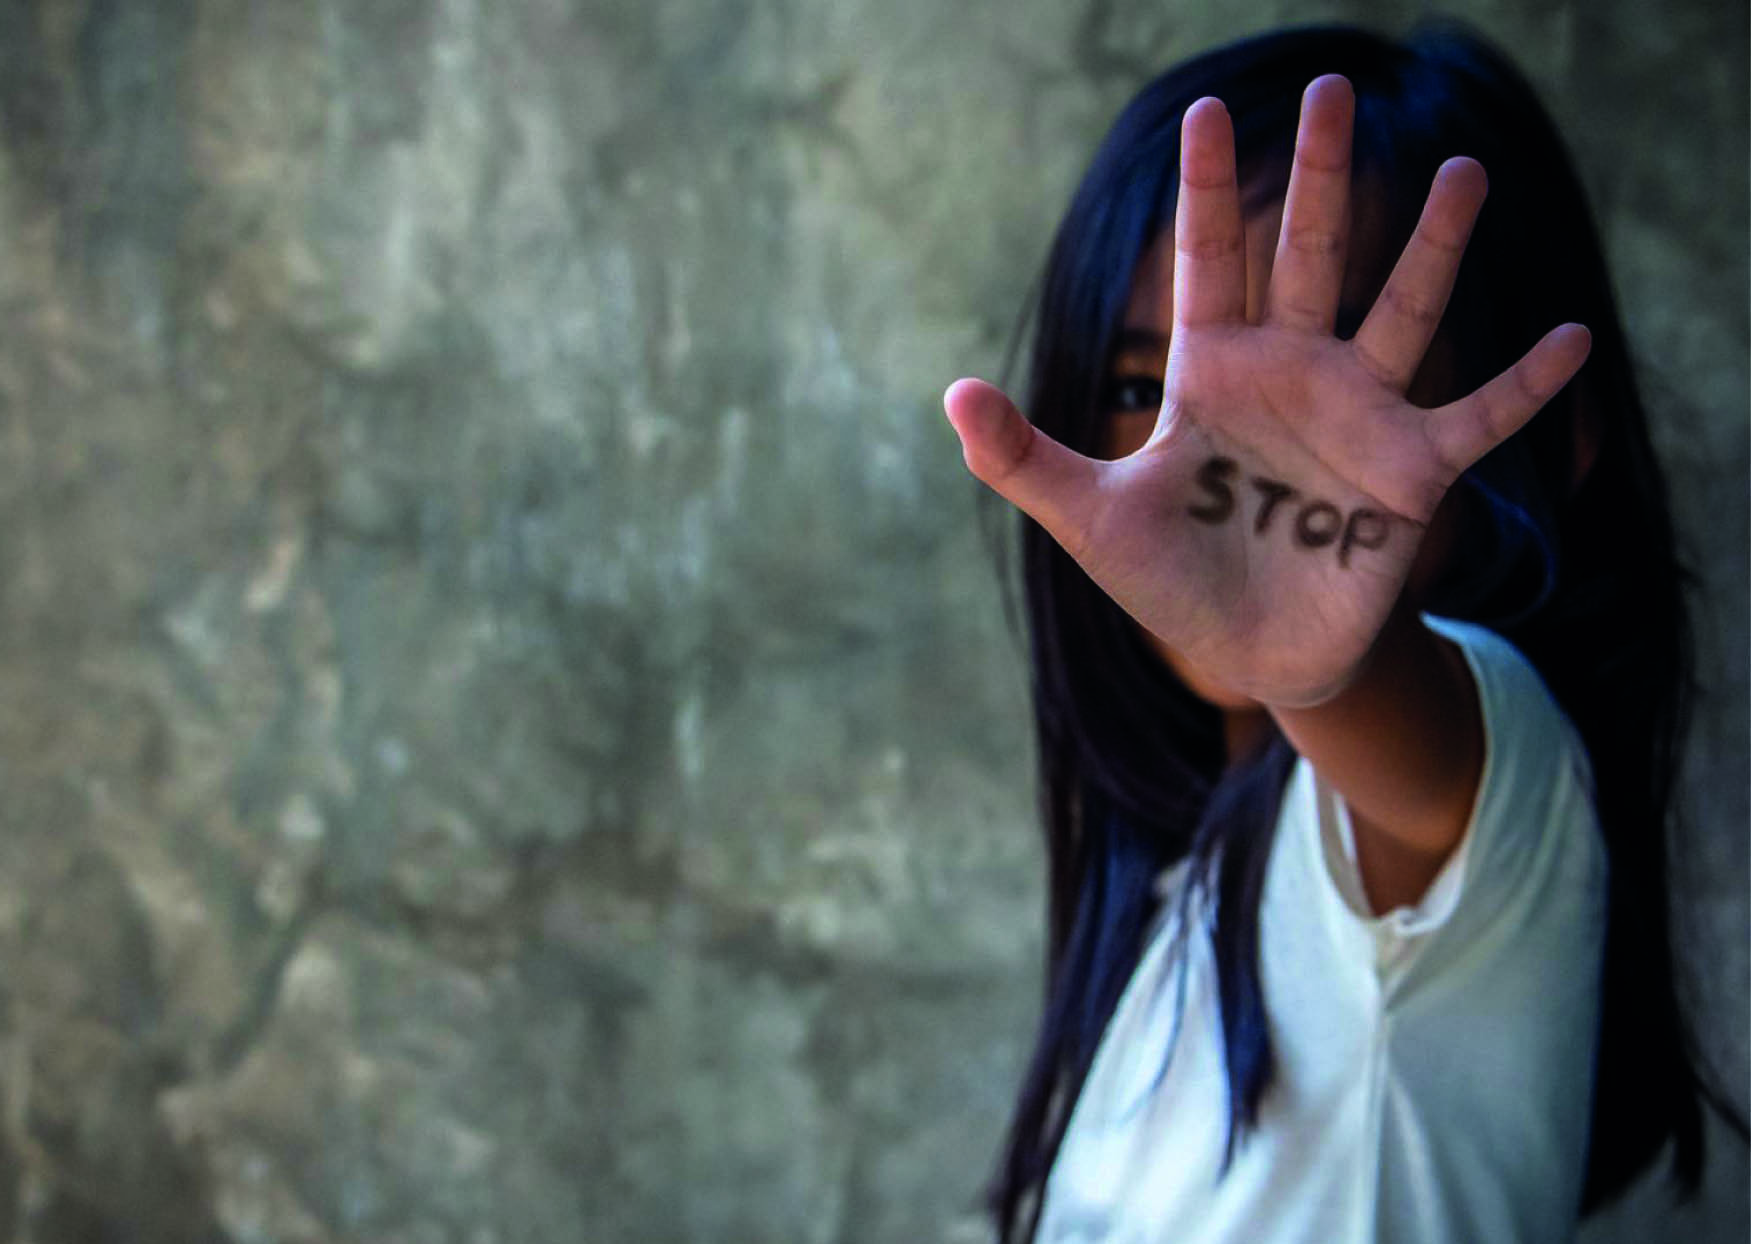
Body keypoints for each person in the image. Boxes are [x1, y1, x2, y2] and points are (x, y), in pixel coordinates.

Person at [940, 22, 1746, 1244]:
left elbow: (1418, 764)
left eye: (1330, 389)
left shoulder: (1488, 775)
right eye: (1138, 388)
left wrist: (1323, 669)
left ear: (1554, 438)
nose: (1207, 464)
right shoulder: (1178, 893)